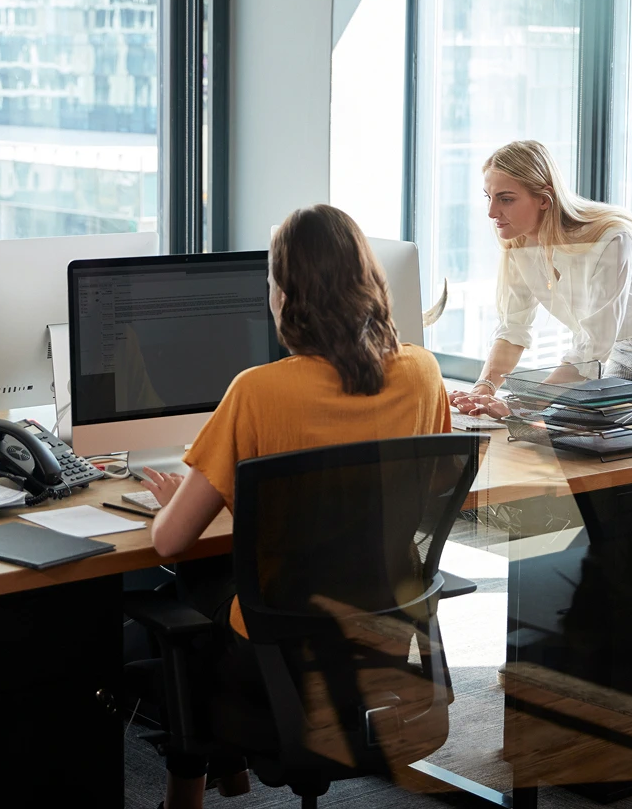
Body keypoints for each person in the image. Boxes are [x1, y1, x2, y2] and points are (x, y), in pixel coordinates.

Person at [139, 203, 451, 809]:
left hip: (279, 651)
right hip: (382, 636)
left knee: (189, 580)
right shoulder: (423, 371)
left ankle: (189, 790)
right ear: (370, 281)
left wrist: (184, 501)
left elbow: (168, 542)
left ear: (283, 294)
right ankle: (218, 774)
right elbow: (430, 484)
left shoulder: (258, 391)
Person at [448, 140, 632, 435]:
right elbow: (513, 329)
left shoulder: (610, 239)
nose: (492, 212)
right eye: (488, 197)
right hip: (624, 350)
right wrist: (485, 388)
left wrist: (522, 404)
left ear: (544, 198)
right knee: (609, 450)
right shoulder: (518, 246)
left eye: (505, 199)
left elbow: (590, 348)